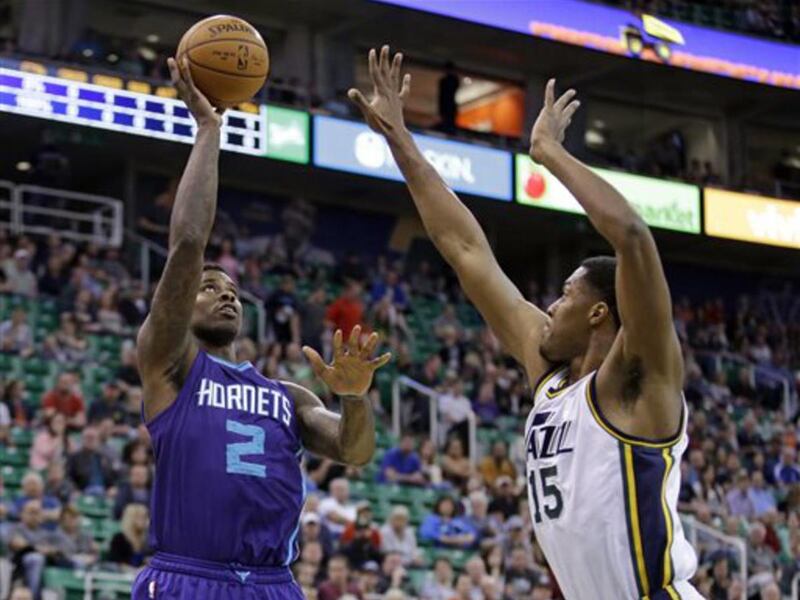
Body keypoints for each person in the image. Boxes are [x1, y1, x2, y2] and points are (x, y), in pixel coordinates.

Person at [349, 46, 700, 598]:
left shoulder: (640, 379)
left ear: (599, 312)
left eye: (565, 295)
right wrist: (398, 138)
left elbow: (632, 236)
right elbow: (465, 248)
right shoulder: (550, 375)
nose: (551, 306)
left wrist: (548, 153)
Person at [131, 57, 391, 600]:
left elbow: (354, 451)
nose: (225, 292)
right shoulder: (170, 368)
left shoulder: (287, 396)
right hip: (189, 576)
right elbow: (187, 244)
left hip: (274, 584)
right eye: (209, 287)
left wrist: (356, 398)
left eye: (231, 290)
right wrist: (209, 131)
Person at [108, 504, 151, 569]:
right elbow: (115, 563)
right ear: (131, 519)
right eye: (142, 517)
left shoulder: (146, 539)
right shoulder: (119, 539)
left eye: (146, 517)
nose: (145, 521)